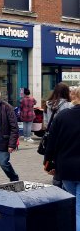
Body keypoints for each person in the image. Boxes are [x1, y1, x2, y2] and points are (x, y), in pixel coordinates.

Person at [44, 86, 80, 231]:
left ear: (73, 97)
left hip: (66, 167)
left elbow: (51, 143)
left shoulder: (63, 115)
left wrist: (48, 164)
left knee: (71, 203)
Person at [44, 82, 73, 188]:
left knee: (53, 158)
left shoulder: (47, 104)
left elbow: (46, 122)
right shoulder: (68, 105)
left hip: (52, 135)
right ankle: (61, 181)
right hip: (64, 136)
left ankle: (56, 179)